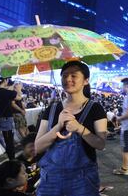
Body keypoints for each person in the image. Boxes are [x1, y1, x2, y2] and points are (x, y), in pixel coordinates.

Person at [35, 61, 107, 196]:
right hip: (50, 180)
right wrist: (58, 125)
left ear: (85, 80)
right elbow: (38, 146)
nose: (68, 79)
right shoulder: (52, 109)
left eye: (74, 76)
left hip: (83, 180)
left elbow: (101, 144)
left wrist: (80, 128)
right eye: (64, 75)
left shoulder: (95, 109)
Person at [0, 77, 20, 166]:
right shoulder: (7, 93)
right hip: (6, 120)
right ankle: (12, 160)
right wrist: (18, 89)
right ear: (4, 82)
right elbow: (18, 98)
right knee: (9, 141)